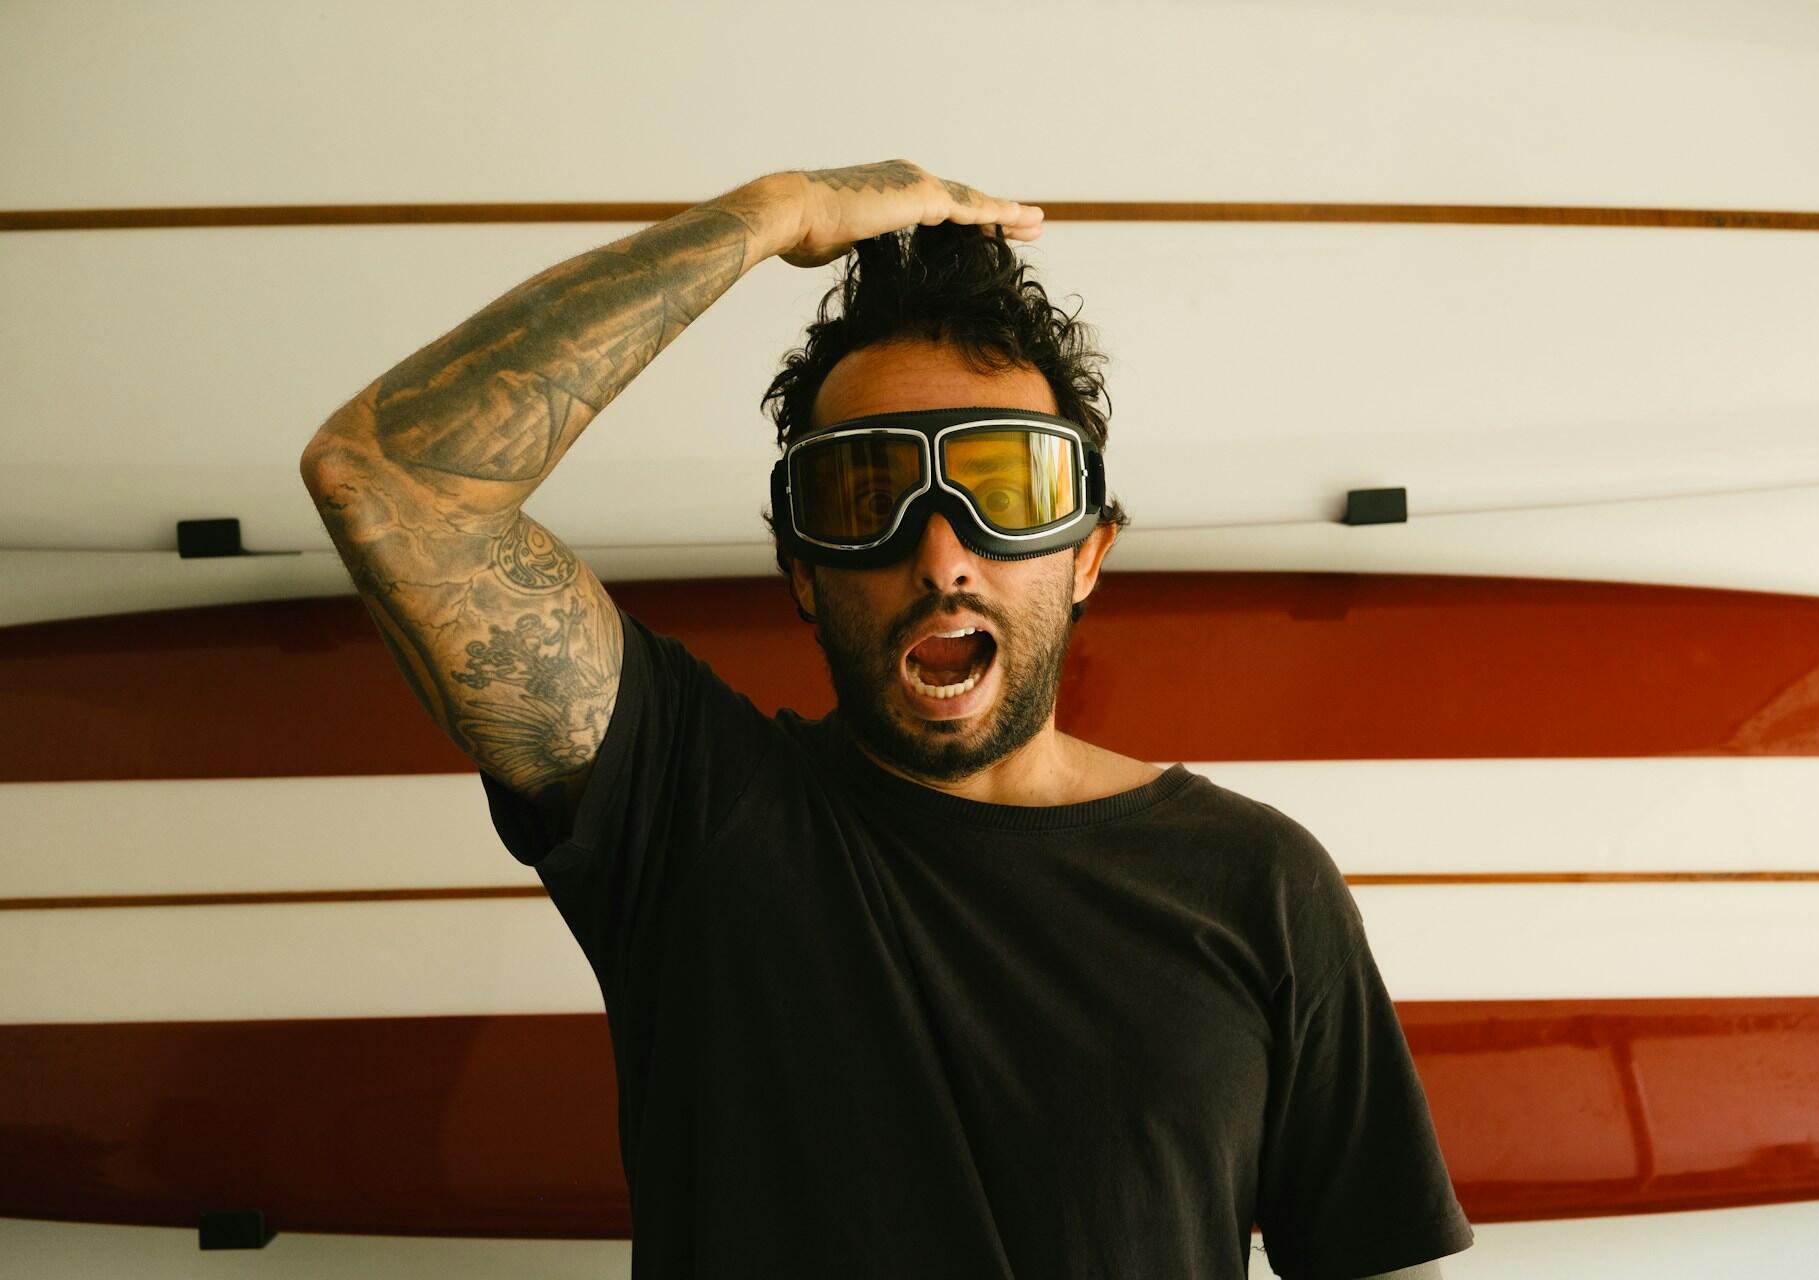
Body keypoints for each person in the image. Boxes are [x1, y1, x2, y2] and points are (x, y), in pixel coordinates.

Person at [300, 159, 1474, 1279]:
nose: (944, 550)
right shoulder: (695, 817)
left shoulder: (1258, 882)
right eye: (868, 491)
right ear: (803, 571)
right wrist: (772, 214)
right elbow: (387, 480)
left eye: (1005, 488)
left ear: (1087, 555)